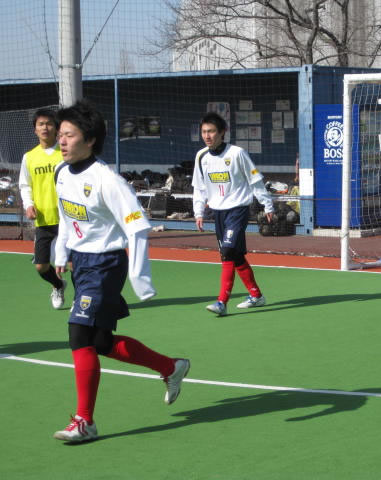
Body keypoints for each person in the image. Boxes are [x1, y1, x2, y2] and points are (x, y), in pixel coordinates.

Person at [52, 100, 190, 443]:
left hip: (105, 264)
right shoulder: (61, 173)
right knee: (100, 342)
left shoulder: (107, 180)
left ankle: (85, 421)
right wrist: (61, 251)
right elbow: (66, 217)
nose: (61, 141)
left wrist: (140, 277)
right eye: (60, 134)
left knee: (78, 335)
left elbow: (137, 227)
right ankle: (171, 367)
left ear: (90, 140)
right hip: (82, 263)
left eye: (69, 135)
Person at [192, 112, 274, 316]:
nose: (207, 136)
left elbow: (255, 181)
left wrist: (267, 205)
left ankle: (221, 302)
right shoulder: (201, 156)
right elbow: (199, 189)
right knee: (235, 256)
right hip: (218, 213)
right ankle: (256, 295)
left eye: (211, 131)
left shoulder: (237, 153)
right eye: (204, 132)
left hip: (238, 210)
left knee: (227, 251)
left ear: (223, 132)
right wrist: (198, 212)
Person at [18, 108, 67, 308]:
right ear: (35, 129)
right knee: (41, 266)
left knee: (73, 264)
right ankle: (58, 285)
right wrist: (29, 205)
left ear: (56, 128)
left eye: (49, 123)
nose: (45, 127)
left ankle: (81, 300)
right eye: (41, 124)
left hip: (68, 218)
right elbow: (25, 185)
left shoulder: (65, 152)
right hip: (44, 219)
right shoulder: (29, 157)